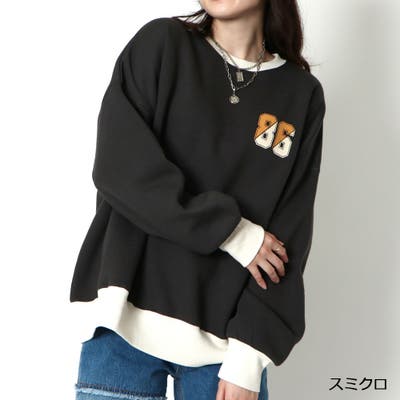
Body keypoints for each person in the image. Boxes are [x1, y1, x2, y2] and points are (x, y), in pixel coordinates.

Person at [69, 1, 326, 399]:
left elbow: (289, 234)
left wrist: (248, 359)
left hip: (225, 350)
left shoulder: (300, 94)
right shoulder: (162, 44)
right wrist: (233, 233)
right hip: (123, 325)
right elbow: (120, 169)